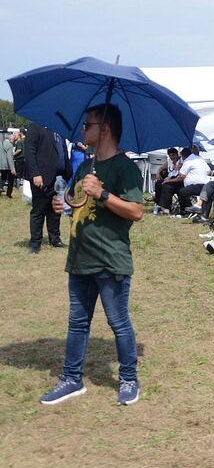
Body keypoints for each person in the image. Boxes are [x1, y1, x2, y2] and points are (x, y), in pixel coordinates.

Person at [40, 104, 144, 406]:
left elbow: (136, 211)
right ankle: (71, 379)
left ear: (105, 129)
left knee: (118, 322)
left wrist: (104, 194)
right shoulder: (86, 166)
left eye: (88, 125)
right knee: (77, 322)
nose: (83, 130)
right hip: (80, 258)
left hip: (110, 259)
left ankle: (128, 379)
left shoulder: (125, 168)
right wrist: (64, 204)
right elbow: (76, 201)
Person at [24, 122, 71, 254]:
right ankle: (35, 244)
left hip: (60, 177)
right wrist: (35, 174)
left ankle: (55, 239)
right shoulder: (36, 126)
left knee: (55, 211)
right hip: (42, 177)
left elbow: (61, 151)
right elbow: (29, 151)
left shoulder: (59, 129)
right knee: (39, 210)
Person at [0, 131, 15, 198]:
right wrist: (12, 169)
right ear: (10, 139)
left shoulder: (0, 144)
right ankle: (9, 194)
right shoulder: (10, 145)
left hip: (1, 165)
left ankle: (0, 188)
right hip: (8, 166)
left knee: (3, 178)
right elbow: (9, 157)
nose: (13, 141)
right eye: (13, 139)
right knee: (11, 180)